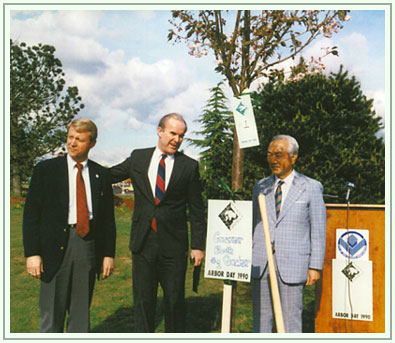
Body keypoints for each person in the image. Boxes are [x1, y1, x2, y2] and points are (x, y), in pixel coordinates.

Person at [110, 113, 206, 333]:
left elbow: (197, 210)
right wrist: (81, 166)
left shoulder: (189, 166)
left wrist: (198, 245)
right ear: (160, 130)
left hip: (174, 246)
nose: (177, 140)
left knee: (174, 302)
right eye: (173, 133)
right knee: (143, 303)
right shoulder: (138, 158)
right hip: (143, 244)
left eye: (181, 136)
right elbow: (109, 175)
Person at [22, 118, 116, 333]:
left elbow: (108, 221)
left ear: (92, 144)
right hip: (53, 247)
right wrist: (33, 253)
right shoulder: (46, 170)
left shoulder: (101, 174)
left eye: (79, 139)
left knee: (81, 314)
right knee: (51, 314)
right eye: (70, 137)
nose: (72, 143)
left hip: (87, 245)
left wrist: (108, 254)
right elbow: (31, 216)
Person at [251, 134, 326, 333]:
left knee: (291, 322)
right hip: (261, 263)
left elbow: (318, 230)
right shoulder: (261, 186)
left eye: (278, 154)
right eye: (269, 155)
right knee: (260, 321)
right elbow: (253, 223)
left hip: (293, 264)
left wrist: (315, 266)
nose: (273, 160)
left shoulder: (311, 188)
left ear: (293, 158)